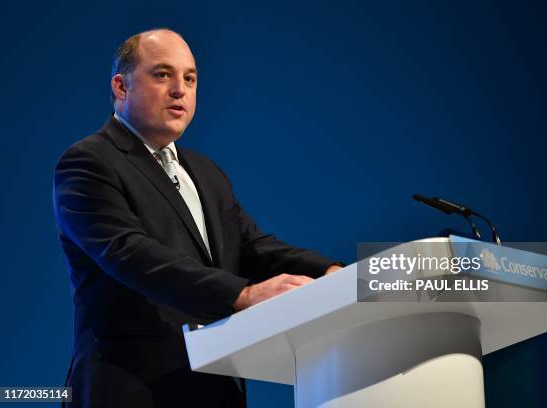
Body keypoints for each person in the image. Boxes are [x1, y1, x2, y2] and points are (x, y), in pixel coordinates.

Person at [53, 28, 342, 408]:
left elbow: (253, 247)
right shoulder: (89, 162)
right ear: (121, 87)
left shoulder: (206, 173)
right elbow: (130, 254)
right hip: (130, 389)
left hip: (213, 388)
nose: (180, 89)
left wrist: (333, 274)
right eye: (162, 74)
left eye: (189, 78)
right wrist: (241, 294)